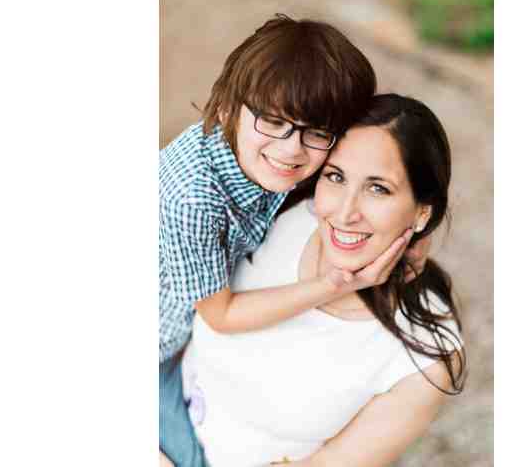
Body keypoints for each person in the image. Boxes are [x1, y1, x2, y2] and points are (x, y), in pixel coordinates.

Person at [160, 16, 429, 466]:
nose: (291, 149)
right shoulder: (192, 199)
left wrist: (414, 226)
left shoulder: (263, 156)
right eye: (272, 121)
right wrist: (336, 283)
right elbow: (221, 315)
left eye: (316, 131)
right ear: (225, 109)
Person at [181, 94, 467, 466]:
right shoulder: (283, 213)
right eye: (336, 176)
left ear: (422, 213)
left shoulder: (426, 358)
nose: (345, 212)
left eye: (378, 188)